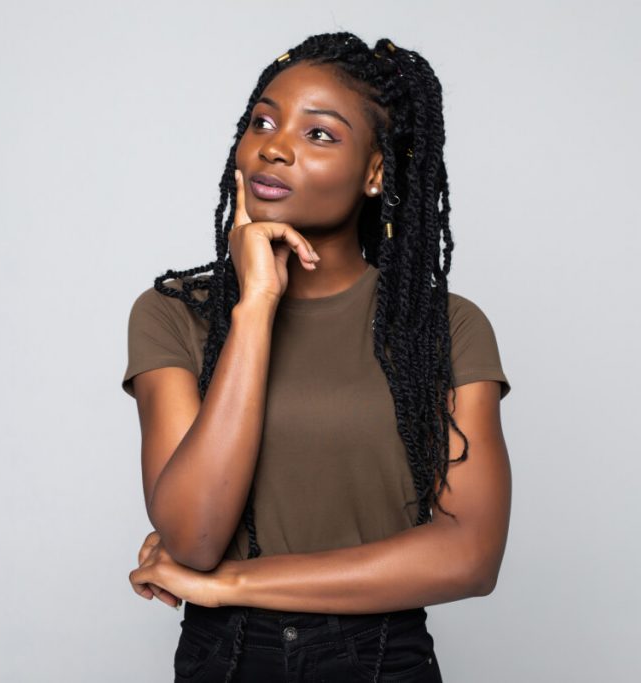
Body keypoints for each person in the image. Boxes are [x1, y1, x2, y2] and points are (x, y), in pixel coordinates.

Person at [122, 32, 512, 682]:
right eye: (263, 121)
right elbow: (192, 536)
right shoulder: (175, 314)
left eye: (320, 134)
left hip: (381, 657)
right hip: (225, 658)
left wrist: (235, 582)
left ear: (376, 172)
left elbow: (469, 554)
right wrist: (254, 308)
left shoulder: (444, 327)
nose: (275, 146)